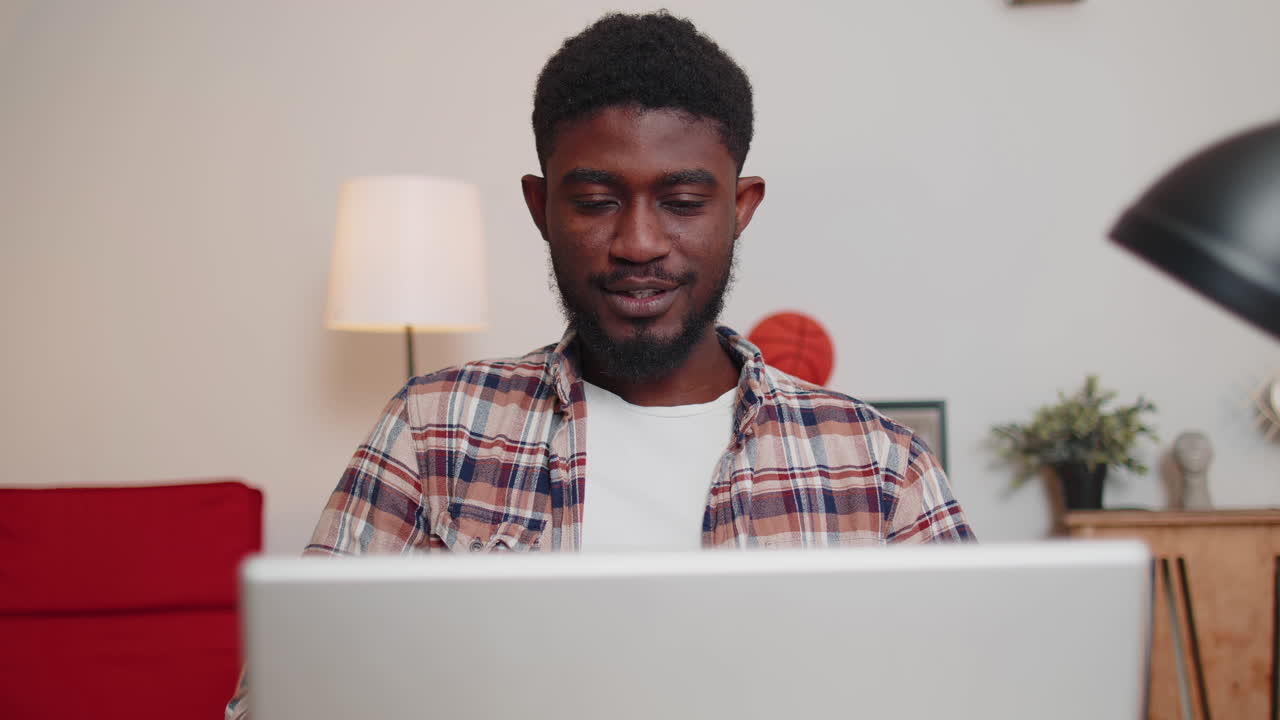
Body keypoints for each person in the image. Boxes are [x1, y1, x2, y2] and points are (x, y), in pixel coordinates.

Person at [226, 10, 972, 718]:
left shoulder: (879, 466)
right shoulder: (434, 430)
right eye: (594, 201)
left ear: (740, 209)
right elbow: (278, 700)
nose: (639, 242)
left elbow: (982, 693)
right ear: (540, 205)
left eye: (682, 201)